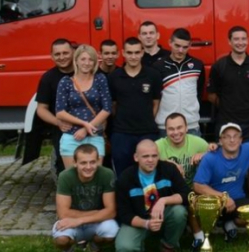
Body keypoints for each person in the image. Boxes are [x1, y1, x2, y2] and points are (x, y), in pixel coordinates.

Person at [115, 140, 190, 252]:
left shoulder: (169, 169)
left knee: (179, 211)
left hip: (164, 215)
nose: (150, 160)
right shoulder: (125, 177)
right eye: (145, 156)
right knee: (124, 250)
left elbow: (187, 194)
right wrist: (146, 224)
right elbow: (123, 213)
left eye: (154, 156)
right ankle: (139, 247)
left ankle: (168, 247)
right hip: (140, 219)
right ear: (136, 157)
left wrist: (163, 200)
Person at [193, 123, 249, 244]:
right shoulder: (210, 157)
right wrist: (223, 197)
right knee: (198, 212)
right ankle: (201, 238)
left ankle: (230, 223)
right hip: (215, 200)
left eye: (235, 136)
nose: (232, 140)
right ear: (220, 141)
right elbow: (197, 185)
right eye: (227, 137)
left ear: (241, 140)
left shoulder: (247, 149)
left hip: (238, 199)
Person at [52, 144, 119, 252]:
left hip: (88, 221)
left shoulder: (107, 174)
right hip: (76, 221)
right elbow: (63, 213)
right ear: (75, 163)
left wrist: (79, 220)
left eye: (92, 162)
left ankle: (94, 247)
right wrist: (98, 213)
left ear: (98, 161)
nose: (88, 167)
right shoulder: (65, 176)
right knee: (61, 239)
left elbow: (111, 211)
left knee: (112, 232)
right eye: (83, 163)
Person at [156, 112, 214, 252]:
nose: (176, 132)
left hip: (193, 188)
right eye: (171, 129)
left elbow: (216, 154)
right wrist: (166, 164)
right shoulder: (157, 146)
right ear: (166, 130)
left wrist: (204, 155)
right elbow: (144, 162)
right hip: (169, 193)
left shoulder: (197, 142)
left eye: (179, 128)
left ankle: (199, 237)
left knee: (193, 197)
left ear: (187, 128)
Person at [108, 37, 162, 177]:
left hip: (147, 131)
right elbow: (113, 105)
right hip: (122, 133)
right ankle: (125, 199)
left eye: (137, 52)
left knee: (150, 172)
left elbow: (156, 103)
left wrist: (147, 119)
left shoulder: (153, 75)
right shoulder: (114, 77)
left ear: (142, 52)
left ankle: (149, 198)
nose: (133, 56)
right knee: (123, 174)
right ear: (123, 53)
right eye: (129, 53)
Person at [55, 44, 112, 169]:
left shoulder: (100, 79)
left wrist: (86, 129)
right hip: (71, 136)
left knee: (95, 177)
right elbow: (60, 112)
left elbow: (107, 108)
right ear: (76, 61)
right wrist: (84, 124)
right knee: (72, 179)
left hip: (94, 136)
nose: (87, 63)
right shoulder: (66, 82)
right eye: (83, 59)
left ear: (95, 62)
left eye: (90, 59)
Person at [208, 26, 249, 142]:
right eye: (236, 39)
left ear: (248, 41)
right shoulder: (219, 66)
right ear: (229, 41)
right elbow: (211, 95)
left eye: (243, 39)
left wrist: (245, 103)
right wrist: (229, 105)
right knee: (227, 158)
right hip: (226, 124)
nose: (240, 42)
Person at [25, 38, 74, 170]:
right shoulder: (48, 78)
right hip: (62, 130)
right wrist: (57, 122)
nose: (62, 57)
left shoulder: (84, 72)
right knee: (63, 167)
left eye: (65, 53)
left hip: (86, 128)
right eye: (57, 54)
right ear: (51, 57)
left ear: (73, 53)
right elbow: (41, 109)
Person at [154, 28, 205, 136]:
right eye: (177, 46)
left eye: (185, 47)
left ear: (190, 45)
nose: (181, 50)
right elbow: (155, 97)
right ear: (170, 43)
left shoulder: (198, 65)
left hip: (191, 126)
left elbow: (199, 93)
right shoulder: (158, 66)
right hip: (165, 126)